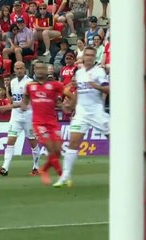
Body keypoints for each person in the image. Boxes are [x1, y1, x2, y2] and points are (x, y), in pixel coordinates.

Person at [53, 46, 109, 188]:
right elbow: (78, 93)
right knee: (73, 143)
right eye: (87, 55)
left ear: (95, 57)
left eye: (92, 55)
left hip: (96, 112)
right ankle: (65, 176)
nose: (89, 57)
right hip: (82, 113)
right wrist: (70, 105)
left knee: (117, 140)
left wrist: (97, 86)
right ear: (83, 57)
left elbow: (109, 89)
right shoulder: (79, 73)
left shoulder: (99, 72)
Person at [21, 61, 74, 185]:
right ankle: (63, 177)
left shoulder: (55, 85)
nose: (39, 70)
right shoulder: (30, 86)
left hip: (52, 122)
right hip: (39, 124)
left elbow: (69, 95)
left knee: (58, 152)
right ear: (34, 71)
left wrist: (67, 106)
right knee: (50, 149)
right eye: (37, 68)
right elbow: (25, 100)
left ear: (47, 71)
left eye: (42, 68)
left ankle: (43, 169)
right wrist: (23, 106)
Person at [0, 61, 40, 176]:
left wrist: (7, 107)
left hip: (29, 116)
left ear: (25, 69)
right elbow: (15, 100)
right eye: (17, 68)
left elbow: (25, 103)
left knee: (32, 142)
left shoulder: (30, 83)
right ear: (14, 69)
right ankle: (5, 168)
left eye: (21, 68)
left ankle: (36, 167)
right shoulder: (12, 82)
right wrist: (10, 106)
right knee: (10, 141)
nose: (19, 70)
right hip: (16, 116)